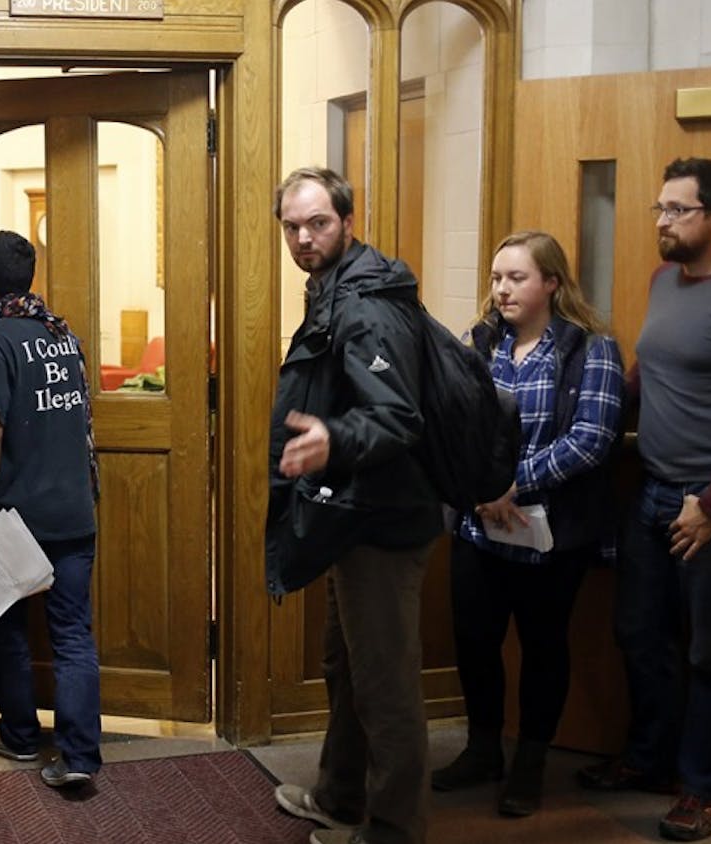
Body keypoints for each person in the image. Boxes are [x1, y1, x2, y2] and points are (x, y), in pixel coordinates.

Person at [577, 158, 711, 842]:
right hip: (653, 491)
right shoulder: (665, 280)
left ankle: (705, 788)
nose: (663, 221)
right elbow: (652, 368)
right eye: (660, 209)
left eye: (678, 209)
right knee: (640, 633)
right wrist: (602, 421)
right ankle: (650, 761)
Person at [266, 167, 442, 844]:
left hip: (384, 522)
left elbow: (398, 417)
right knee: (347, 667)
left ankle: (397, 830)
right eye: (293, 227)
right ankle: (341, 795)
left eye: (319, 224)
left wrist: (332, 439)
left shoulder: (365, 303)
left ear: (346, 219)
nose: (305, 239)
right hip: (354, 513)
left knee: (385, 684)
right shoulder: (333, 288)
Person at [428, 231, 624, 817]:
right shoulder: (478, 345)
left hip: (548, 535)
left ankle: (530, 763)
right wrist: (478, 491)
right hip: (478, 529)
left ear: (552, 284)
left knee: (543, 647)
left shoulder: (592, 349)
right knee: (475, 641)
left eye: (517, 278)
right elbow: (450, 422)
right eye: (495, 278)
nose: (502, 289)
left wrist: (516, 483)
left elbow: (592, 439)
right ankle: (483, 749)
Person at [0, 230, 101, 789]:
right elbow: (45, 416)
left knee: (8, 628)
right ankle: (79, 757)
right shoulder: (62, 334)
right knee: (71, 634)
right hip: (73, 510)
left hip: (17, 518)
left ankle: (19, 737)